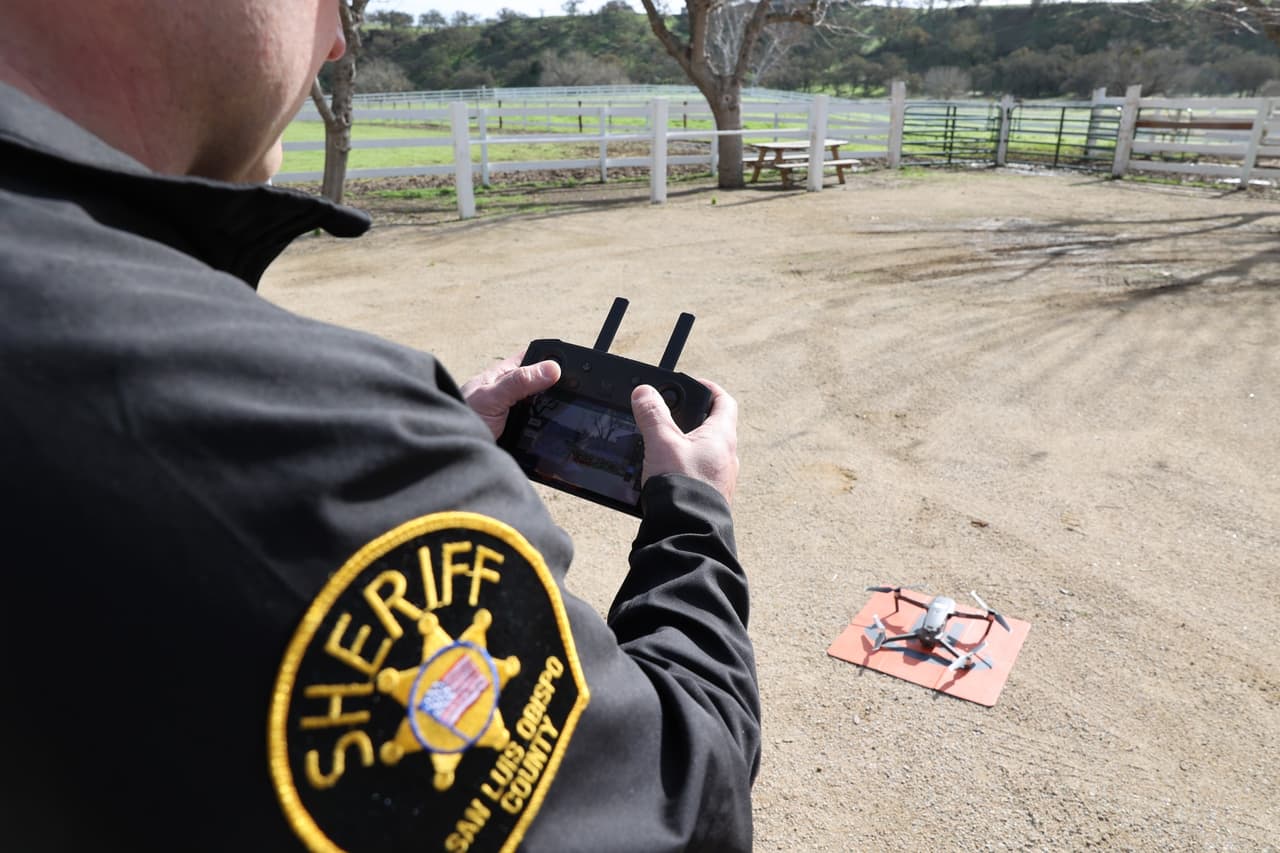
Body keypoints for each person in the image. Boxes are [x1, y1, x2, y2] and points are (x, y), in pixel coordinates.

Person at [0, 2, 760, 851]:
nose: (333, 38)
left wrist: (443, 461)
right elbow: (684, 798)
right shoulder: (294, 431)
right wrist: (693, 517)